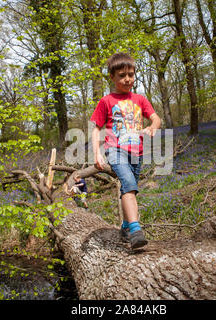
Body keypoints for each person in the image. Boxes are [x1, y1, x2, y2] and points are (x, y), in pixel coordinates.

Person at [90, 52, 161, 249]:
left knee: (129, 190)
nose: (127, 79)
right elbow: (95, 128)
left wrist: (153, 127)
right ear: (112, 77)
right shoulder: (106, 101)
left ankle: (125, 226)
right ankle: (136, 231)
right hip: (115, 150)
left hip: (136, 153)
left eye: (130, 74)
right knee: (129, 184)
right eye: (122, 75)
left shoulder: (140, 99)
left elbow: (156, 118)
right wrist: (97, 153)